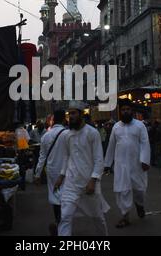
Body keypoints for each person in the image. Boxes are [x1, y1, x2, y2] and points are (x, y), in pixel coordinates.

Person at [54, 101, 109, 236]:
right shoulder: (67, 135)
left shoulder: (92, 133)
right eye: (69, 114)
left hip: (89, 182)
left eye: (73, 113)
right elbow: (67, 157)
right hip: (71, 182)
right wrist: (61, 176)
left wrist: (93, 180)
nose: (70, 116)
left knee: (97, 217)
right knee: (65, 216)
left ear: (81, 114)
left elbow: (98, 159)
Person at [104, 99, 151, 228]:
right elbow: (111, 146)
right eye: (123, 110)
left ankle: (139, 204)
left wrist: (145, 160)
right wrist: (107, 164)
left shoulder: (140, 126)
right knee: (122, 190)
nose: (125, 112)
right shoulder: (116, 127)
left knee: (139, 190)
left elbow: (145, 143)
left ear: (132, 111)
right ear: (120, 111)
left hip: (137, 164)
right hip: (121, 165)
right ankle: (125, 216)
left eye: (128, 109)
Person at [34, 109, 67, 235]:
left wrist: (37, 174)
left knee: (55, 198)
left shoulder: (46, 136)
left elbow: (42, 157)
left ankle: (58, 222)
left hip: (52, 171)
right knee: (66, 198)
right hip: (66, 171)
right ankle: (62, 224)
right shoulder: (67, 134)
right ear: (64, 119)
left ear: (53, 120)